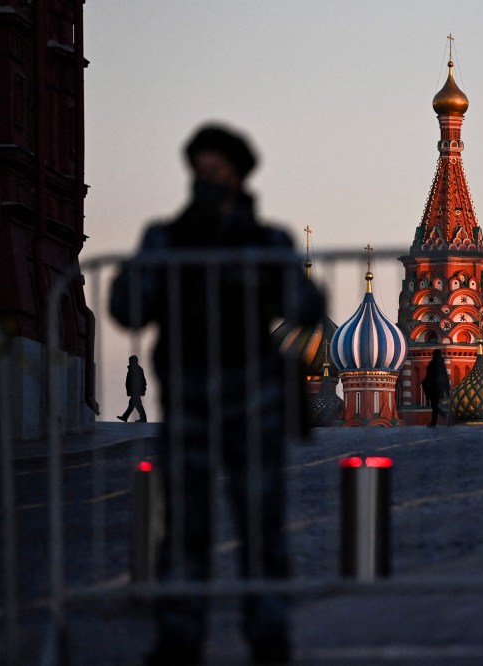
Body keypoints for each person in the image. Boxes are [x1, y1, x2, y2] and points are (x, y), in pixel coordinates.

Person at [110, 123, 325, 665]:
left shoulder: (266, 241)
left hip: (253, 403)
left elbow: (305, 304)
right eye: (199, 170)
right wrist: (146, 271)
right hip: (188, 403)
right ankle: (180, 634)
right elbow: (127, 308)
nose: (206, 180)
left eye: (216, 170)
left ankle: (269, 634)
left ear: (237, 175)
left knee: (261, 526)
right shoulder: (166, 238)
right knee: (184, 527)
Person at [421, 348, 451, 426]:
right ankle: (434, 422)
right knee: (435, 405)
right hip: (440, 388)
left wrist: (425, 384)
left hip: (433, 388)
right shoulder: (442, 365)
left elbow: (429, 376)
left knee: (434, 406)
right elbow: (446, 377)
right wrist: (447, 390)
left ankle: (442, 415)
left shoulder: (432, 364)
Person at [117, 355, 147, 422]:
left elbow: (141, 381)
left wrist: (140, 389)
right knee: (133, 404)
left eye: (130, 361)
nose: (129, 362)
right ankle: (126, 417)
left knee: (136, 404)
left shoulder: (136, 370)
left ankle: (143, 418)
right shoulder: (135, 369)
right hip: (135, 390)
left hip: (136, 390)